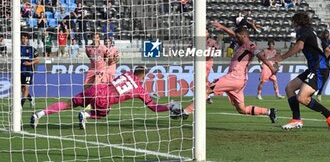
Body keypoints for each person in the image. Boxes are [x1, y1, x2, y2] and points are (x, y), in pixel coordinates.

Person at [30, 66, 183, 129]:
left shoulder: (126, 73)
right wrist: (168, 106)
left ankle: (40, 114)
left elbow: (126, 86)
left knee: (68, 104)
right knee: (105, 112)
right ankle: (86, 114)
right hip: (105, 99)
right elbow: (153, 107)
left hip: (96, 89)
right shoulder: (140, 89)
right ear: (143, 77)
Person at [196, 23, 278, 123]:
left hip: (235, 77)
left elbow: (260, 56)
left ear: (243, 35)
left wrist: (271, 67)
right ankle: (269, 112)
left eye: (238, 36)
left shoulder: (250, 45)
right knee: (242, 109)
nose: (236, 38)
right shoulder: (242, 44)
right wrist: (221, 27)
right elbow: (233, 34)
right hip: (237, 79)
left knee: (206, 90)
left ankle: (185, 111)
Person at [273, 12, 330, 132]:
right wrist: (321, 60)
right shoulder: (312, 32)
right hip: (315, 68)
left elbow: (299, 46)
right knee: (290, 88)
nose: (292, 24)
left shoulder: (302, 31)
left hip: (319, 70)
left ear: (296, 22)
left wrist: (281, 58)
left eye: (293, 22)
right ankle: (296, 119)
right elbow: (327, 50)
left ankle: (329, 114)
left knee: (302, 97)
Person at [183, 29, 219, 115]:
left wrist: (211, 52)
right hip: (198, 62)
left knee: (203, 78)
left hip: (207, 62)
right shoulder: (196, 41)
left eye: (206, 31)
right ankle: (206, 96)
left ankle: (204, 96)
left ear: (208, 33)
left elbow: (217, 50)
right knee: (200, 80)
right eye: (203, 31)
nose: (204, 33)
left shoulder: (212, 42)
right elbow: (189, 50)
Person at [316, 29, 330, 102]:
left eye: (327, 34)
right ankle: (315, 93)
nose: (326, 35)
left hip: (326, 64)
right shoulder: (320, 41)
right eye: (325, 34)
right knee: (318, 78)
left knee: (324, 78)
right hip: (319, 62)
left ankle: (319, 93)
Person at [21, 33, 40, 108]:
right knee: (23, 89)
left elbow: (38, 59)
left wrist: (30, 63)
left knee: (26, 87)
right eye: (23, 38)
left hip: (28, 71)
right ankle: (31, 99)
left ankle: (20, 105)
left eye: (26, 38)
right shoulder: (17, 48)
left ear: (28, 39)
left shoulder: (31, 49)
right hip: (19, 71)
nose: (24, 40)